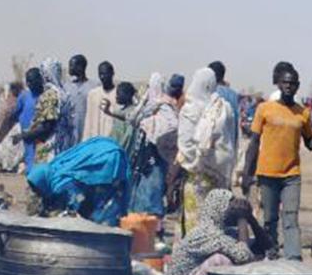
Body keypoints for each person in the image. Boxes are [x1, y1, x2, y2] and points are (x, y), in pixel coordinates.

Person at [242, 61, 312, 259]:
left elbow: (309, 142)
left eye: (293, 83)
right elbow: (254, 143)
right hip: (267, 173)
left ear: (297, 86)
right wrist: (247, 173)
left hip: (291, 175)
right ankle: (270, 254)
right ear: (278, 84)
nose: (289, 86)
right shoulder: (264, 109)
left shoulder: (302, 113)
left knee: (291, 218)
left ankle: (293, 258)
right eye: (285, 82)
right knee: (270, 219)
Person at [162, 189, 272, 275]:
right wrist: (242, 219)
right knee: (221, 262)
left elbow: (264, 247)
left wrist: (250, 218)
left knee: (248, 257)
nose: (233, 212)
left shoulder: (224, 232)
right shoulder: (206, 233)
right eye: (230, 208)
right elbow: (244, 256)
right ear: (219, 210)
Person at [177, 67, 237, 232]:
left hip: (196, 178)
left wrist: (196, 163)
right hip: (219, 177)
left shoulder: (189, 110)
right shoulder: (223, 108)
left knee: (194, 228)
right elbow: (229, 143)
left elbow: (186, 145)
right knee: (214, 226)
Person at [26, 136, 130, 225]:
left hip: (106, 163)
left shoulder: (61, 184)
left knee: (104, 202)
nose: (37, 192)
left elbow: (77, 198)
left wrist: (73, 210)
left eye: (37, 189)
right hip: (105, 150)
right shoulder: (54, 170)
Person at [129, 73, 179, 219]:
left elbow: (172, 127)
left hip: (157, 155)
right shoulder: (150, 107)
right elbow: (132, 119)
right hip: (145, 155)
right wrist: (144, 101)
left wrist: (154, 131)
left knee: (154, 190)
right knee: (142, 189)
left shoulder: (165, 106)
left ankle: (155, 229)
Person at [18, 66, 61, 169]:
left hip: (44, 139)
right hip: (29, 139)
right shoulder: (24, 96)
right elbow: (15, 114)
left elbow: (48, 125)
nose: (28, 84)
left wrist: (28, 134)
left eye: (31, 81)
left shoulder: (49, 96)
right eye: (27, 81)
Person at [0, 81, 25, 171]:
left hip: (18, 126)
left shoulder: (21, 98)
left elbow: (14, 112)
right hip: (8, 126)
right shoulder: (7, 99)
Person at [207, 61, 238, 157]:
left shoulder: (210, 92)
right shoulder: (233, 95)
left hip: (210, 146)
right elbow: (236, 121)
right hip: (228, 146)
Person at [82, 61, 118, 141]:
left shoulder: (118, 95)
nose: (102, 77)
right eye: (100, 74)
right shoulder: (93, 94)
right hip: (95, 140)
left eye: (105, 74)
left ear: (112, 73)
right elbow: (88, 120)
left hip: (112, 141)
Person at [64, 54, 94, 145]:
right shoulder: (66, 87)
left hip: (87, 127)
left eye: (71, 65)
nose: (69, 68)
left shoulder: (93, 86)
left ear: (80, 67)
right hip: (70, 129)